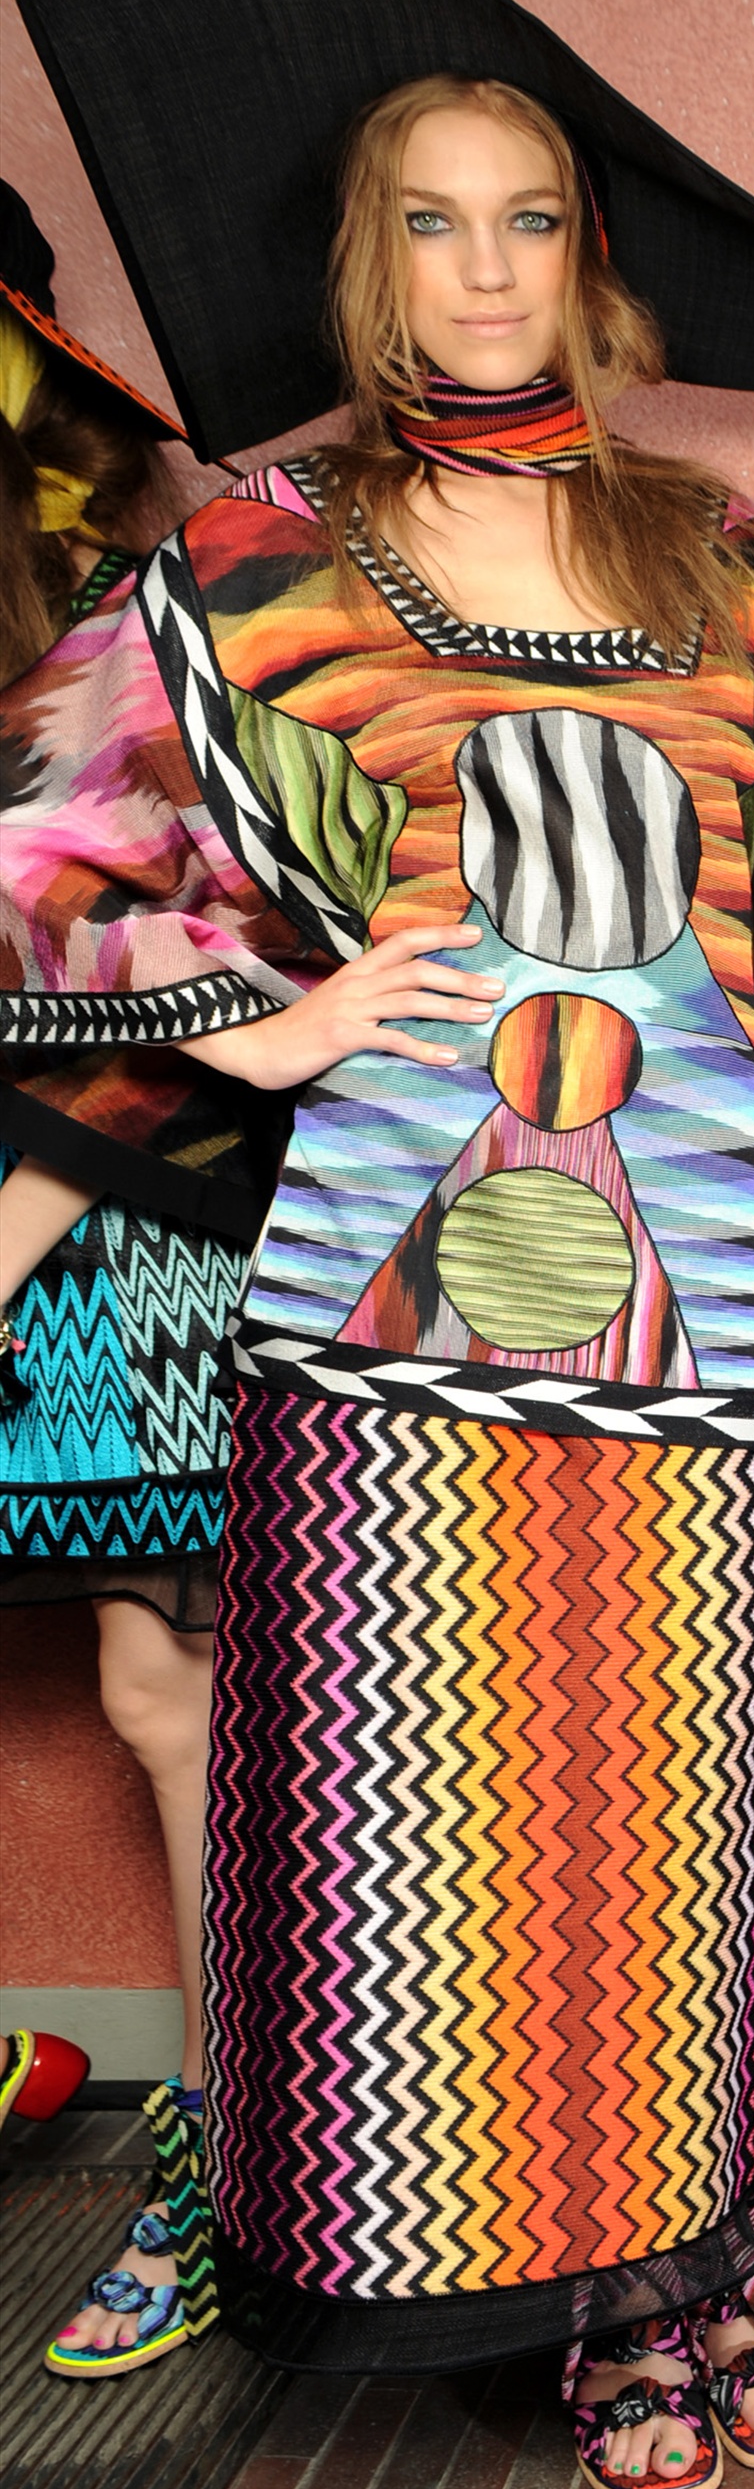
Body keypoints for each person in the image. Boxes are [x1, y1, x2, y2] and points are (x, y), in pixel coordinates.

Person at [2, 0, 754, 2489]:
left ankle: (712, 2243)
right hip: (386, 1310)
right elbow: (40, 849)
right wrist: (254, 1016)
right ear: (367, 265)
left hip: (688, 1287)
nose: (486, 268)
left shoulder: (725, 557)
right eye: (433, 222)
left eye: (528, 220)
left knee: (681, 1807)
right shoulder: (258, 551)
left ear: (583, 259)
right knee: (457, 1840)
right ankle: (596, 2300)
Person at [0, 177, 261, 2378]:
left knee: (174, 1688)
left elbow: (176, 979)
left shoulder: (126, 615)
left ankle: (231, 2161)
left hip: (130, 1215)